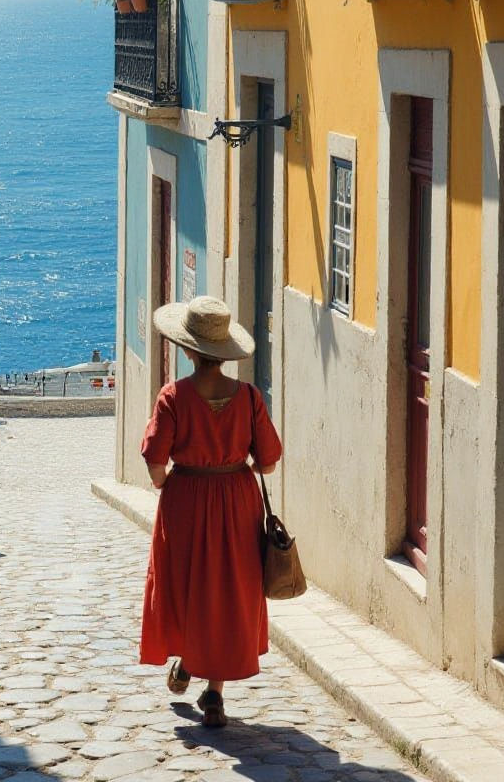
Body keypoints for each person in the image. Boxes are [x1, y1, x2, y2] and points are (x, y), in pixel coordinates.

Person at [139, 295, 282, 728]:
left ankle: (186, 661)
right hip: (237, 500)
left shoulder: (174, 397)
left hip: (186, 499)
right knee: (228, 589)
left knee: (186, 585)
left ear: (187, 349)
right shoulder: (249, 397)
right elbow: (270, 460)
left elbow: (155, 463)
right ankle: (214, 693)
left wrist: (173, 481)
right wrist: (236, 467)